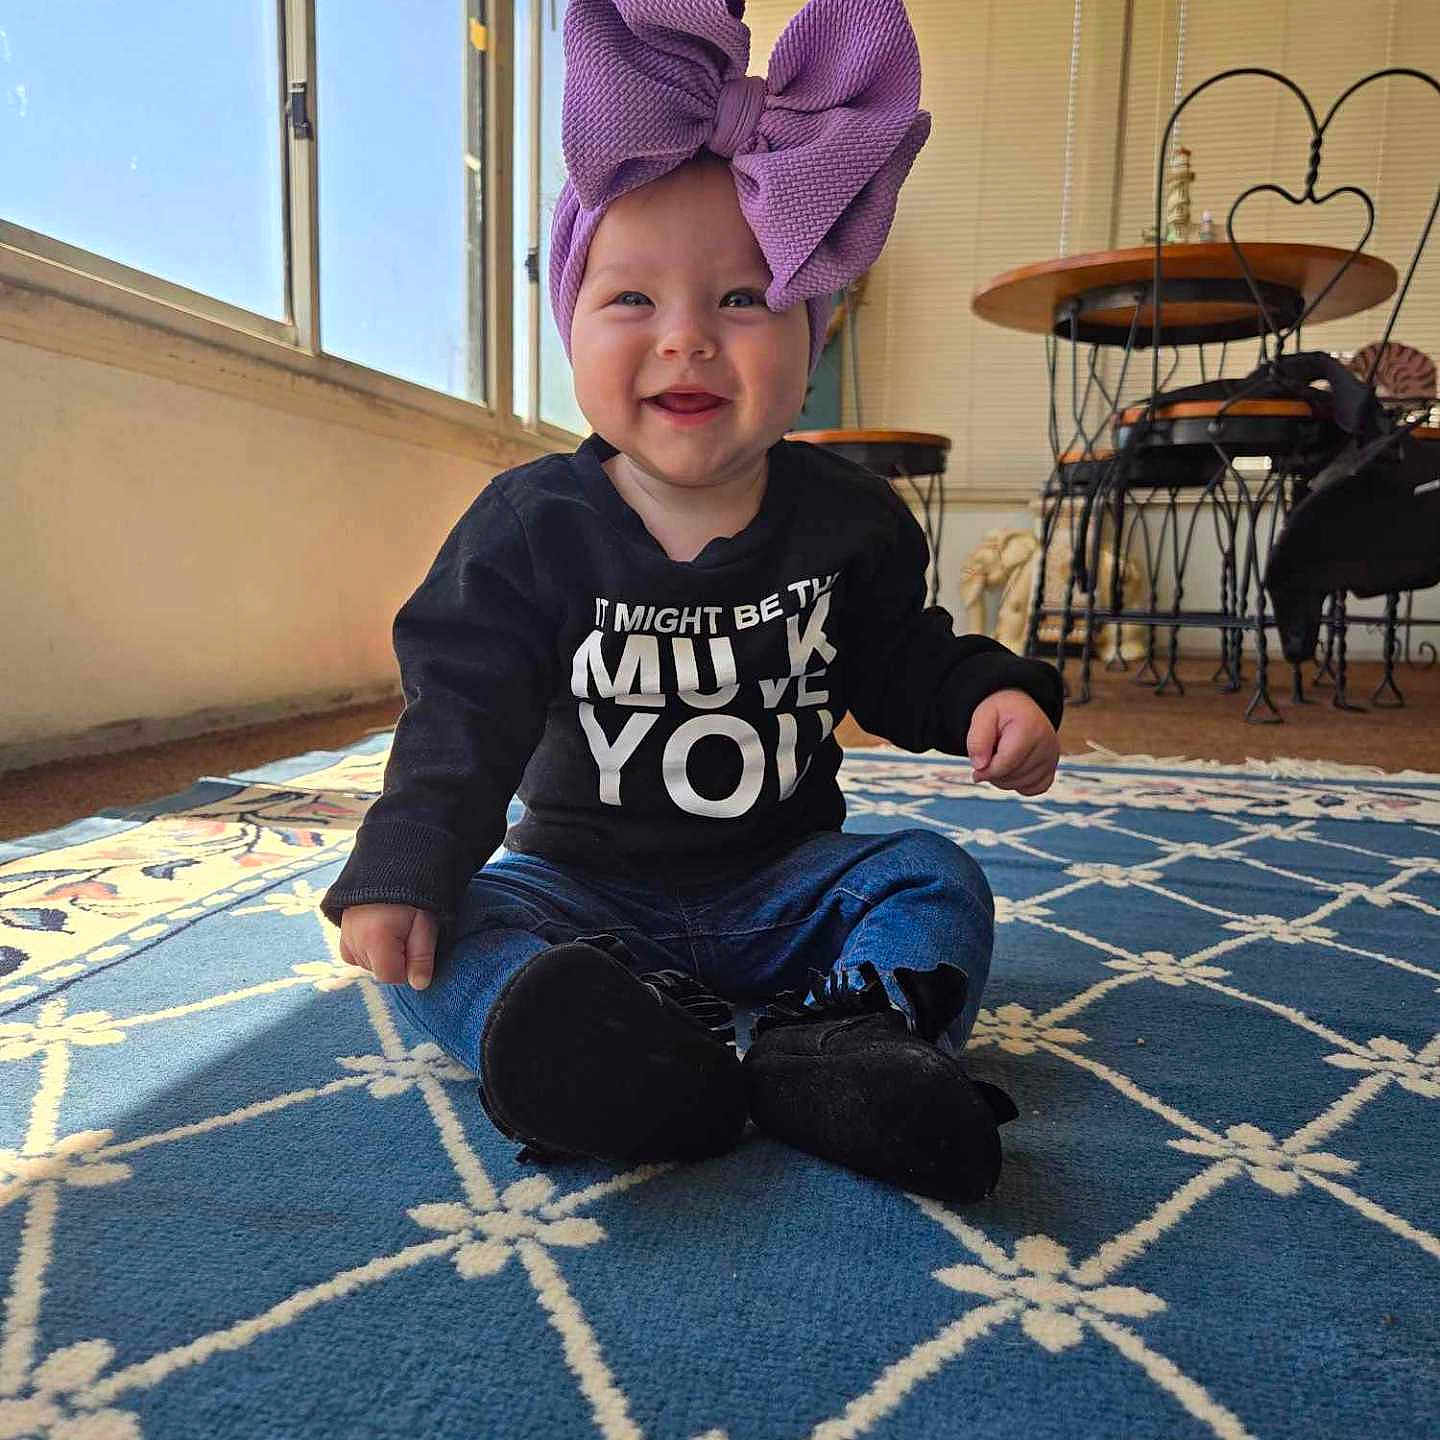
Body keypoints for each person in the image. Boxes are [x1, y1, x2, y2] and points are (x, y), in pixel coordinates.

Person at [320, 0, 1062, 1203]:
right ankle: (595, 1052)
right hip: (575, 889)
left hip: (788, 885)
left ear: (809, 332)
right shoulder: (529, 527)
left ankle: (843, 1047)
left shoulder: (848, 518)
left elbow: (900, 656)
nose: (686, 342)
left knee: (934, 878)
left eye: (740, 300)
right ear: (569, 320)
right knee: (432, 935)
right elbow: (461, 712)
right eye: (631, 302)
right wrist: (407, 855)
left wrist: (989, 693)